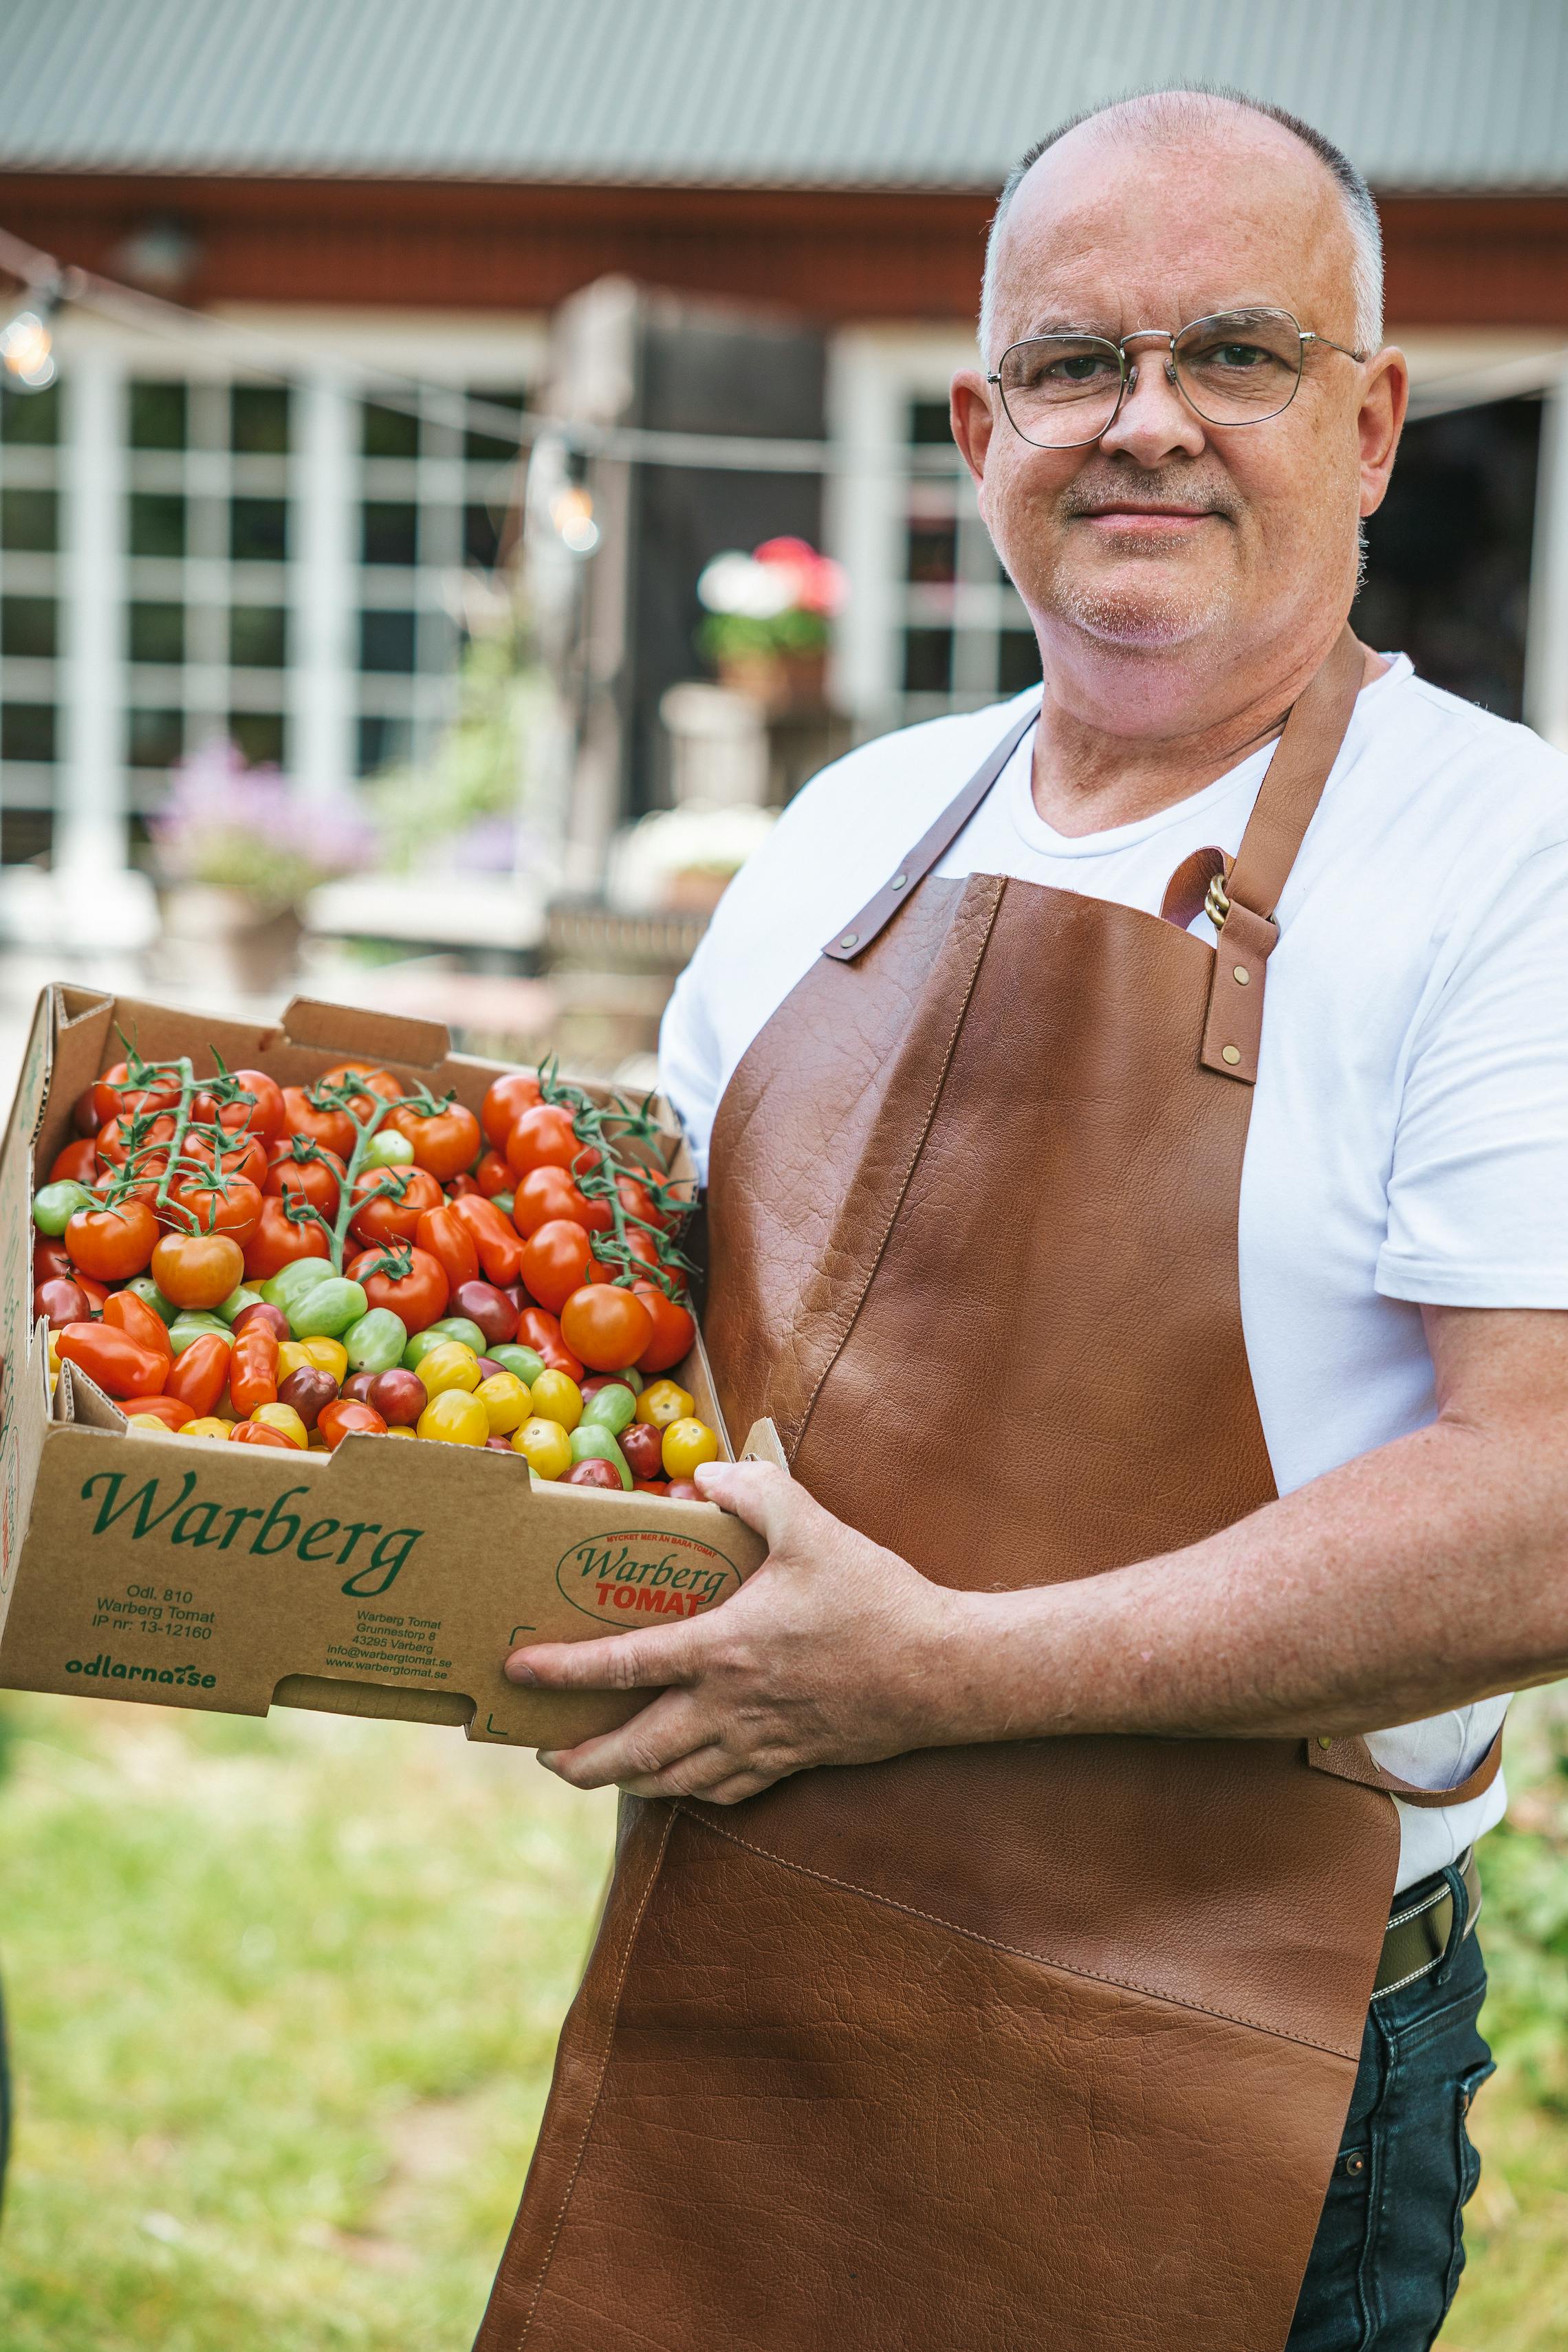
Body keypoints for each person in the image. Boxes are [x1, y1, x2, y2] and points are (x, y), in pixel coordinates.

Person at [477, 89, 1568, 2352]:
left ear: (1369, 425)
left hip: (1216, 2051)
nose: (1145, 424)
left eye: (1236, 356)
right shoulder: (851, 824)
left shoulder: (1509, 865)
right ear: (983, 425)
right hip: (748, 1968)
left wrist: (936, 1675)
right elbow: (623, 1334)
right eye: (1078, 363)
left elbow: (1547, 1498)